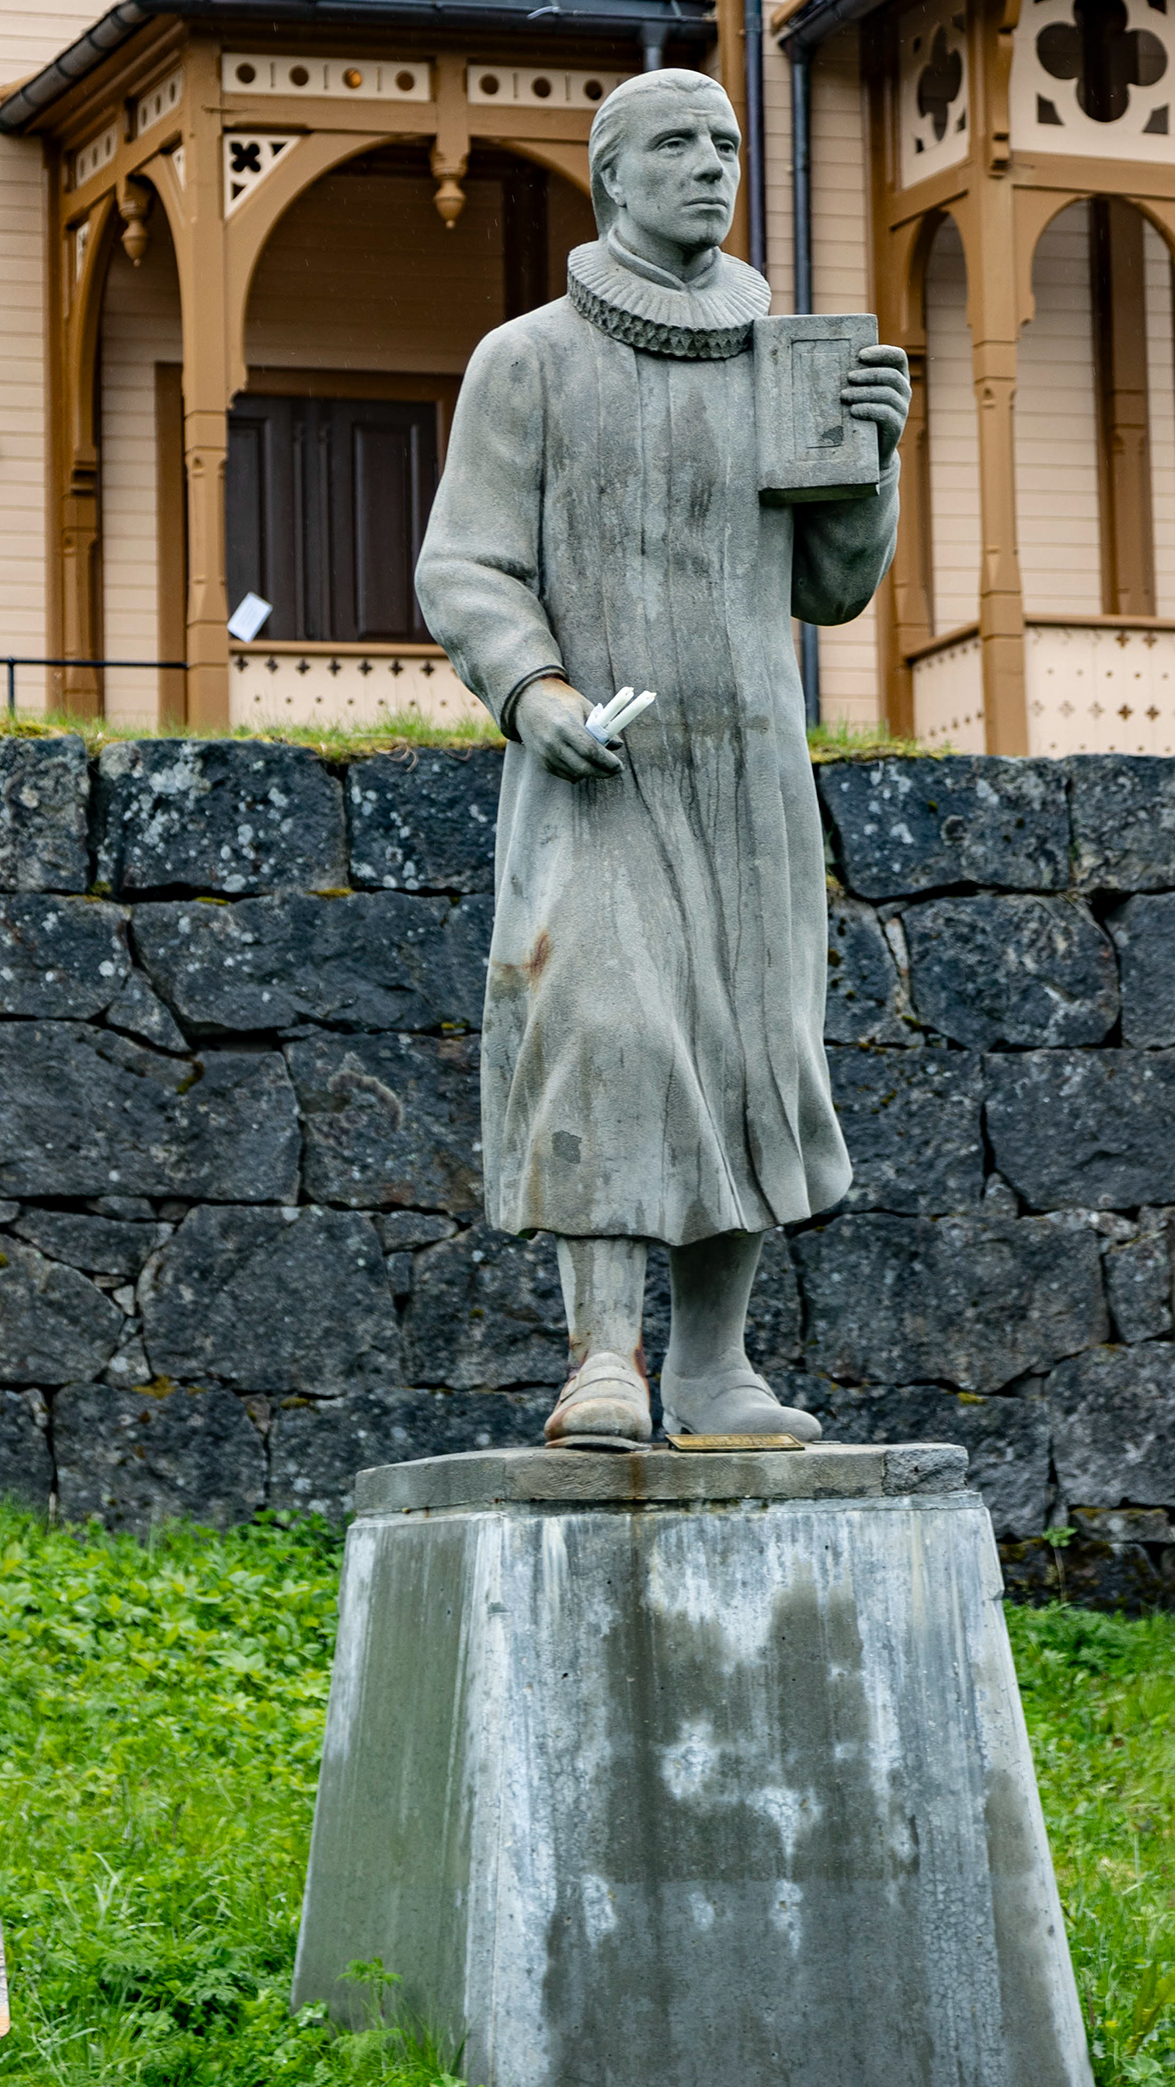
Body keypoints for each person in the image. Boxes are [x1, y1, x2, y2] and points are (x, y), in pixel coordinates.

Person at [414, 69, 910, 1447]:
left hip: (750, 770)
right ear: (611, 178)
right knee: (610, 1036)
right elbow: (466, 565)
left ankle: (712, 1370)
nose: (711, 166)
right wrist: (534, 690)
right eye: (677, 144)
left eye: (727, 144)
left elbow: (833, 589)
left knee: (751, 1048)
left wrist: (873, 461)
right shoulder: (528, 360)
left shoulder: (786, 362)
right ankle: (602, 1361)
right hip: (600, 768)